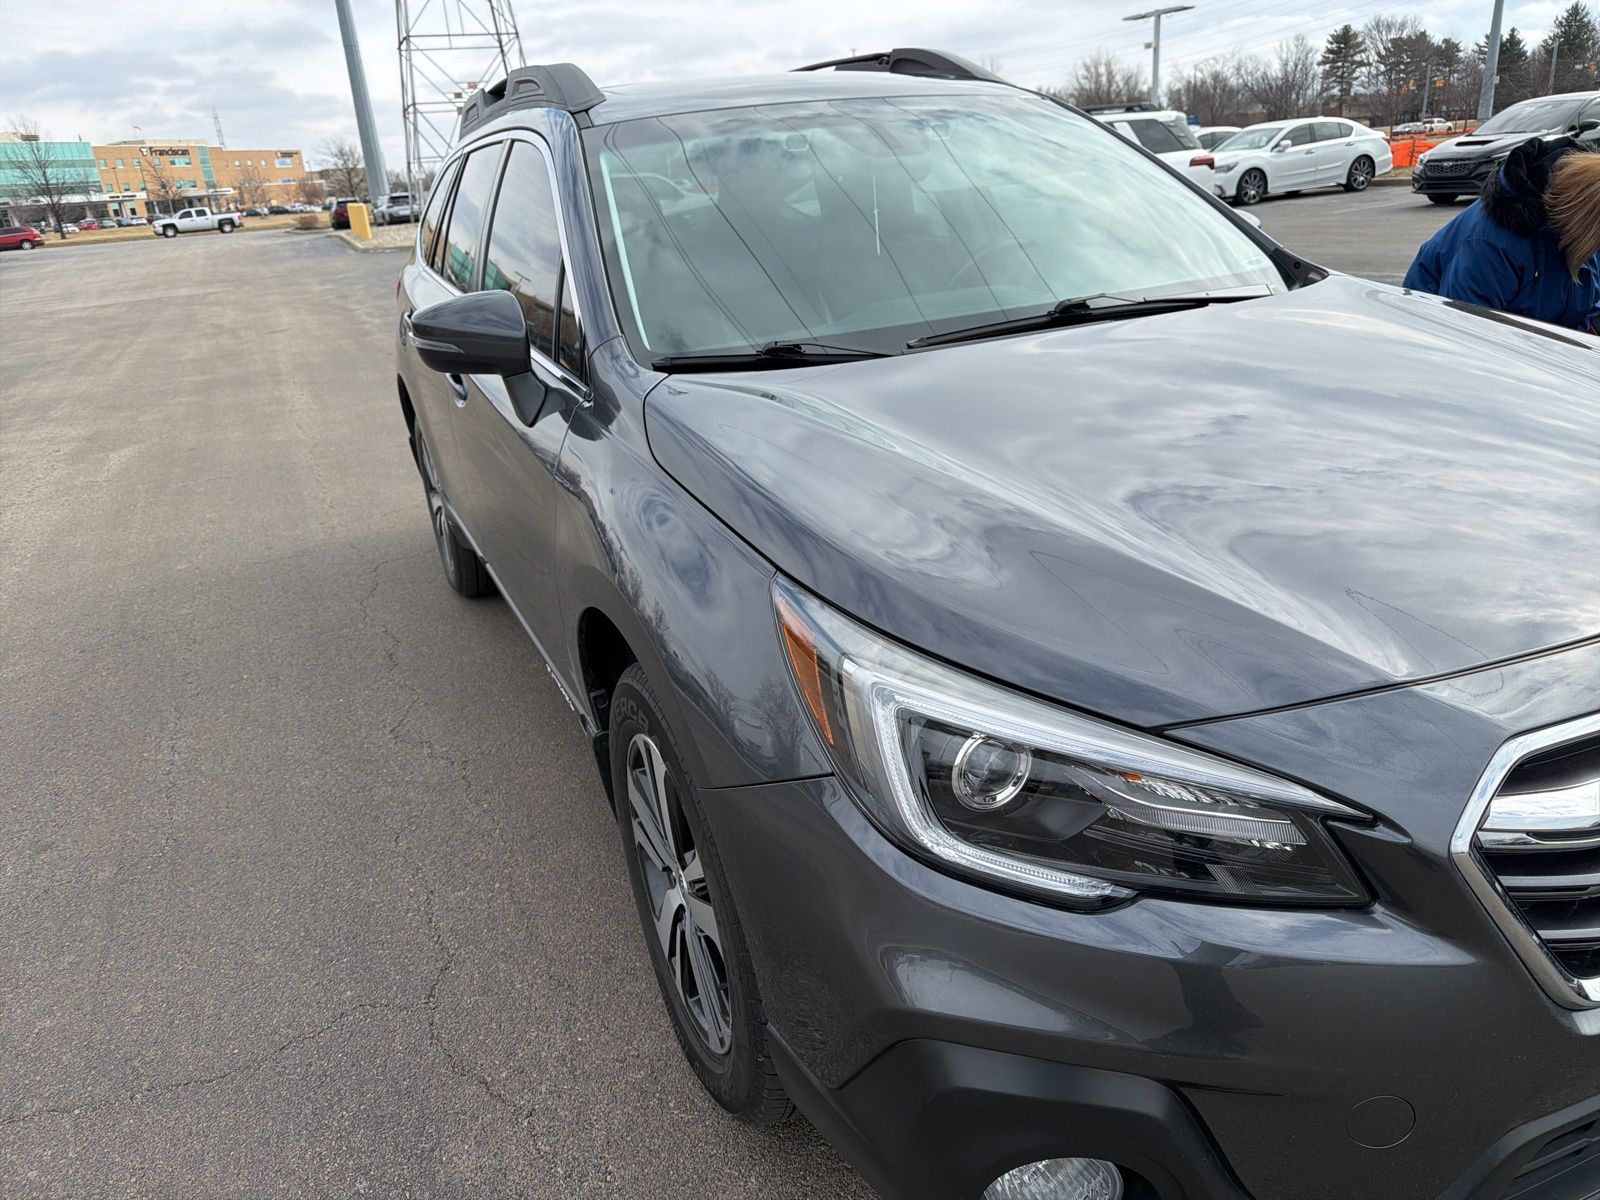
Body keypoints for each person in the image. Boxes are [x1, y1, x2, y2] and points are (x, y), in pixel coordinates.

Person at [1404, 137, 1600, 333]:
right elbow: (1466, 330)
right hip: (1437, 331)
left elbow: (1586, 307)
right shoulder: (1492, 244)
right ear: (1588, 220)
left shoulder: (1582, 235)